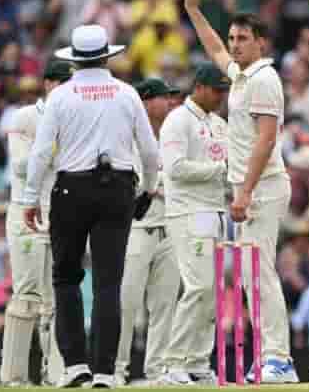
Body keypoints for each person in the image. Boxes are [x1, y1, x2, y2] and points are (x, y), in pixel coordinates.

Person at [23, 24, 159, 388]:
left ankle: (75, 366)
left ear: (75, 61)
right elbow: (149, 150)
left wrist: (30, 197)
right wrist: (149, 188)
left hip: (72, 188)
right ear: (106, 55)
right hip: (117, 188)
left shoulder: (61, 96)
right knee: (108, 282)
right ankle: (104, 371)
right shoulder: (127, 93)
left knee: (66, 277)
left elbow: (40, 152)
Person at [183, 0, 298, 382]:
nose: (234, 44)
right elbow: (212, 46)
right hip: (249, 188)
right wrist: (193, 9)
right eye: (234, 38)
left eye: (243, 38)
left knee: (260, 272)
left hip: (262, 186)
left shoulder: (264, 79)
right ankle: (271, 355)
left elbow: (267, 140)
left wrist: (244, 192)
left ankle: (279, 359)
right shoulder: (242, 76)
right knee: (253, 274)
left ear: (261, 42)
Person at [0, 59, 73, 387]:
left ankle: (55, 375)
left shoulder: (74, 119)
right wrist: (53, 149)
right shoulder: (26, 117)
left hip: (59, 215)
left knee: (55, 300)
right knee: (26, 295)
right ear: (48, 84)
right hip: (25, 213)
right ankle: (13, 377)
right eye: (62, 85)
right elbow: (18, 167)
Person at [158, 64, 229, 385]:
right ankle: (173, 361)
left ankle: (198, 361)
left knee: (211, 292)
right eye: (217, 90)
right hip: (187, 212)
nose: (221, 97)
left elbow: (228, 167)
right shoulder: (177, 120)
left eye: (224, 91)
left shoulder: (218, 123)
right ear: (199, 87)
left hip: (213, 211)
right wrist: (218, 170)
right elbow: (174, 168)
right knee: (198, 287)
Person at [114, 78, 181, 387]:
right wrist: (163, 187)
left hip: (169, 227)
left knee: (165, 303)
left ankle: (158, 370)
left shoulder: (173, 134)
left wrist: (161, 188)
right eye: (163, 98)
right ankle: (116, 370)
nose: (169, 103)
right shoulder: (126, 136)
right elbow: (138, 185)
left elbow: (175, 181)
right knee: (126, 303)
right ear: (145, 101)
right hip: (135, 228)